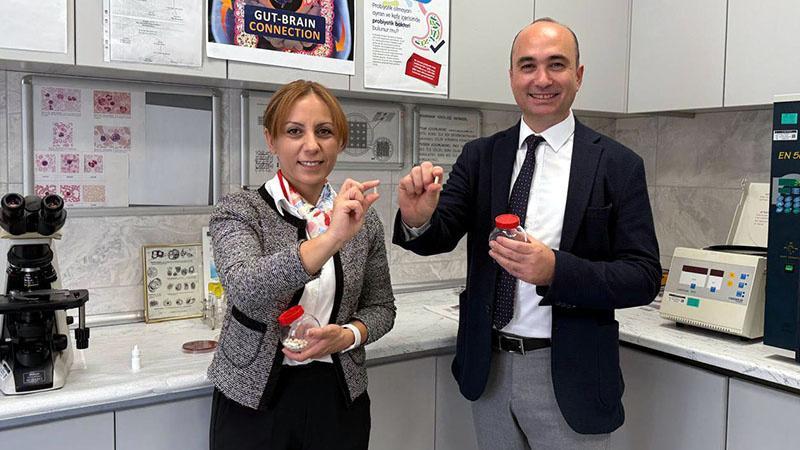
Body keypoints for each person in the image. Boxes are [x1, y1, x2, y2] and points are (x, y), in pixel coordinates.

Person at [393, 18, 661, 449]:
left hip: (570, 373)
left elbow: (643, 276)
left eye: (556, 64)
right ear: (512, 76)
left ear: (578, 75)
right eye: (528, 65)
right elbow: (437, 235)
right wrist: (417, 217)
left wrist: (556, 270)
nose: (541, 79)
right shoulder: (481, 156)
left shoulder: (617, 164)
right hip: (490, 369)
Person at [208, 80, 396, 450]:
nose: (311, 145)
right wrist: (331, 238)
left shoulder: (363, 220)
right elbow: (245, 288)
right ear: (271, 140)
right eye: (294, 131)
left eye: (324, 132)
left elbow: (382, 308)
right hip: (253, 399)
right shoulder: (241, 209)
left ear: (340, 141)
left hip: (337, 395)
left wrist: (348, 335)